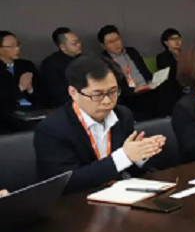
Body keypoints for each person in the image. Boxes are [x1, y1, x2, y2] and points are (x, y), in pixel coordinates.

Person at [34, 56, 166, 194]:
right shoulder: (52, 128)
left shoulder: (122, 115)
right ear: (73, 93)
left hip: (118, 194)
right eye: (97, 95)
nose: (107, 101)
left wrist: (140, 154)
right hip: (78, 200)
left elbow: (127, 168)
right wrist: (124, 156)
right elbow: (65, 182)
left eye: (113, 92)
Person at [98, 25, 156, 119]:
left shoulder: (132, 52)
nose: (116, 44)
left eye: (117, 39)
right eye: (111, 42)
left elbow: (145, 72)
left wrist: (153, 81)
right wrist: (133, 91)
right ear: (103, 46)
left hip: (148, 87)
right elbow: (112, 87)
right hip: (129, 95)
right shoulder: (104, 61)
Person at [0, 31, 44, 131]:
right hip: (8, 113)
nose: (17, 49)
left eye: (18, 45)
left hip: (33, 109)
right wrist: (20, 88)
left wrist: (30, 89)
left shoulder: (26, 65)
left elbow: (42, 91)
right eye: (11, 46)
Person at [41, 27, 82, 107]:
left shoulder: (85, 59)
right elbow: (56, 91)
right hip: (66, 103)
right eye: (74, 43)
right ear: (62, 47)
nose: (79, 45)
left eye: (79, 41)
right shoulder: (50, 64)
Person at [155, 28, 185, 116]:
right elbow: (168, 75)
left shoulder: (187, 55)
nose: (177, 41)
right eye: (172, 39)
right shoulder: (162, 57)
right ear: (166, 42)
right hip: (171, 85)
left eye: (178, 38)